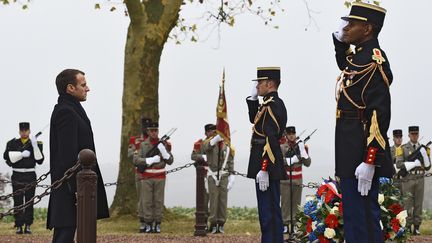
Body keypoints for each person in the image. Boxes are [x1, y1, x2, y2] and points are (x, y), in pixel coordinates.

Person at [333, 2, 394, 242]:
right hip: (350, 144)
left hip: (360, 147)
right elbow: (346, 66)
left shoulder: (374, 61)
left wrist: (370, 159)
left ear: (367, 29)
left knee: (362, 217)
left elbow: (379, 114)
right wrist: (339, 41)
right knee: (356, 215)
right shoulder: (361, 57)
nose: (346, 27)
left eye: (351, 24)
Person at [47, 69, 109, 243]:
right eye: (83, 85)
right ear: (70, 88)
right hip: (71, 188)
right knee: (65, 235)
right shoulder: (66, 112)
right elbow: (68, 156)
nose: (87, 88)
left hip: (76, 185)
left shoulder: (72, 109)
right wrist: (77, 190)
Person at [246, 67, 287, 243]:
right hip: (264, 164)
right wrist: (252, 100)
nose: (257, 87)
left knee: (269, 210)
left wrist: (264, 169)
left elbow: (270, 139)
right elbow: (255, 120)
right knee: (267, 209)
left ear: (269, 83)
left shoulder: (273, 105)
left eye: (260, 83)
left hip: (267, 166)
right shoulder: (268, 104)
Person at [3, 122, 44, 234]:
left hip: (30, 175)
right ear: (19, 131)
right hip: (17, 175)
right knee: (18, 201)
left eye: (26, 130)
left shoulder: (36, 143)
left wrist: (35, 146)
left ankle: (28, 225)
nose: (24, 132)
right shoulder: (12, 143)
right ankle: (19, 225)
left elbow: (40, 161)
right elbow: (6, 156)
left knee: (29, 201)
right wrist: (21, 154)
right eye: (22, 130)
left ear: (29, 131)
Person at [133, 121, 173, 233]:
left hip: (160, 176)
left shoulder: (164, 144)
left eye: (156, 130)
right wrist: (149, 160)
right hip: (146, 176)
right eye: (152, 131)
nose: (154, 133)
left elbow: (170, 161)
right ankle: (148, 222)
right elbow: (136, 160)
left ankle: (158, 223)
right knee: (147, 201)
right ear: (148, 132)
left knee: (158, 201)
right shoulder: (142, 145)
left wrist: (164, 152)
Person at [395, 126, 431, 235]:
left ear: (418, 135)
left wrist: (425, 156)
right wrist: (412, 164)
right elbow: (398, 164)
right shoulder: (402, 148)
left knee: (418, 204)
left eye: (416, 134)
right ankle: (407, 226)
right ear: (409, 135)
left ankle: (416, 227)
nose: (415, 136)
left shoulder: (425, 149)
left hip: (420, 178)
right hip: (408, 179)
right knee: (407, 204)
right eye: (413, 134)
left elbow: (428, 166)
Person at [201, 125, 235, 234]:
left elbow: (230, 161)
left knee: (222, 200)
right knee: (214, 199)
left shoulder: (227, 146)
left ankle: (221, 223)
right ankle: (213, 222)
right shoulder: (210, 143)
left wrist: (232, 175)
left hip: (224, 175)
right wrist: (216, 139)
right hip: (213, 175)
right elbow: (206, 147)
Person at [279, 126, 311, 234]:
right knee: (285, 203)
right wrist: (289, 160)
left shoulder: (301, 146)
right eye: (289, 134)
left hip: (297, 179)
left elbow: (308, 163)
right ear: (286, 135)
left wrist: (303, 152)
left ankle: (294, 224)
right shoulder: (282, 147)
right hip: (285, 179)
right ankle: (285, 224)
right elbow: (279, 160)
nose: (291, 136)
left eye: (293, 134)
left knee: (296, 203)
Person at [127, 117, 151, 231]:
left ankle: (153, 221)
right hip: (140, 172)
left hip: (153, 172)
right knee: (142, 198)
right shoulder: (134, 140)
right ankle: (143, 220)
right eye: (144, 126)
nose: (146, 129)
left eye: (148, 127)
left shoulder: (155, 141)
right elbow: (130, 154)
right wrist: (138, 151)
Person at [190, 124, 214, 231]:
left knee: (214, 200)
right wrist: (203, 157)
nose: (211, 133)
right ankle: (203, 222)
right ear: (206, 133)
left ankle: (214, 223)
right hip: (204, 175)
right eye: (209, 131)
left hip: (214, 175)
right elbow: (193, 156)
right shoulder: (200, 144)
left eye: (213, 131)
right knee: (204, 201)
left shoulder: (218, 145)